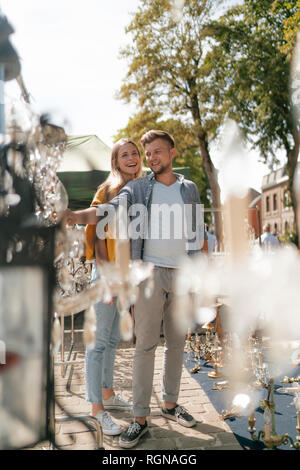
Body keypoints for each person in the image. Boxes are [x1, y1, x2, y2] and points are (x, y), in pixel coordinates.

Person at [65, 130, 208, 448]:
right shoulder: (133, 190)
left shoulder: (185, 188)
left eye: (151, 152)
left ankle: (166, 404)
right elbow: (102, 215)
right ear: (115, 161)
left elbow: (198, 233)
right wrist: (74, 215)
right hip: (125, 275)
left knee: (164, 342)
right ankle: (125, 414)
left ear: (172, 153)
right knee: (126, 343)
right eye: (145, 152)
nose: (146, 157)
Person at [83, 138, 142, 436]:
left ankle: (107, 394)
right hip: (106, 276)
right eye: (124, 154)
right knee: (97, 345)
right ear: (115, 161)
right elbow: (95, 235)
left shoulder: (139, 190)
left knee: (112, 342)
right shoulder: (108, 190)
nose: (131, 157)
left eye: (134, 153)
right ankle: (96, 410)